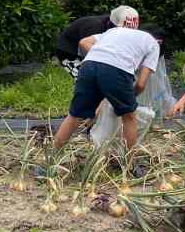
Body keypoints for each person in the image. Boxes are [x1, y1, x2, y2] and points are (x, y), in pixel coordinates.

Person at [53, 21, 161, 153]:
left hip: (88, 65)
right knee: (129, 117)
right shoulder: (153, 43)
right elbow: (141, 84)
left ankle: (51, 160)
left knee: (75, 115)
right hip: (116, 70)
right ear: (158, 40)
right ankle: (128, 164)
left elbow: (84, 42)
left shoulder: (114, 32)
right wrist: (129, 100)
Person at [54, 5, 138, 78]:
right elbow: (87, 50)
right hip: (68, 52)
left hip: (86, 49)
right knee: (84, 79)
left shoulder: (112, 26)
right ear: (114, 24)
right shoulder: (95, 26)